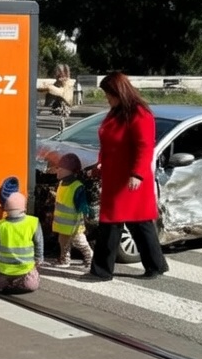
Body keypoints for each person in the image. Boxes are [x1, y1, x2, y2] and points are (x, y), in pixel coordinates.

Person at [83, 71, 167, 282]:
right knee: (139, 223)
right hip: (115, 176)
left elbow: (144, 146)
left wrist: (137, 174)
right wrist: (100, 165)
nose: (106, 98)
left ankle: (101, 271)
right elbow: (109, 144)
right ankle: (156, 265)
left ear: (119, 92)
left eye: (108, 94)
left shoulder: (139, 114)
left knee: (112, 223)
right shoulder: (117, 112)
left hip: (130, 179)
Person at [0, 191, 43, 293]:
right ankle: (20, 282)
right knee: (31, 285)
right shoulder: (33, 222)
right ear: (24, 208)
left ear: (6, 209)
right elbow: (39, 242)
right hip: (25, 268)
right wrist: (38, 259)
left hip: (3, 270)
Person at [51, 153, 94, 269]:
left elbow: (82, 204)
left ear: (70, 171)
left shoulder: (77, 186)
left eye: (61, 168)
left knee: (80, 243)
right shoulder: (61, 184)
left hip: (74, 225)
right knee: (63, 243)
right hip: (63, 225)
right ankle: (64, 260)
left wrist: (85, 213)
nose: (57, 170)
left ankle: (90, 258)